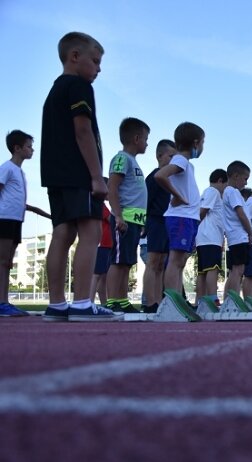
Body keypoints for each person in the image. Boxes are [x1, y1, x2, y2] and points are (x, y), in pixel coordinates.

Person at [40, 32, 122, 321]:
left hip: (55, 174)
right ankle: (83, 303)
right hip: (79, 174)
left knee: (62, 233)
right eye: (96, 62)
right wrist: (96, 177)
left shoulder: (55, 90)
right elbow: (83, 131)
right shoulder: (79, 86)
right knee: (89, 233)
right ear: (75, 57)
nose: (99, 69)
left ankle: (57, 304)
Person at [0, 130, 50, 317]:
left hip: (16, 219)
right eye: (29, 146)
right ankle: (1, 302)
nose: (32, 150)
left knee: (7, 264)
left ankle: (4, 302)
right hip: (4, 219)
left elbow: (22, 204)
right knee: (2, 261)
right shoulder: (7, 168)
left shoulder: (20, 172)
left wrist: (49, 216)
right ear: (17, 148)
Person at [154, 122, 205, 297]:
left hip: (188, 217)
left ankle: (176, 299)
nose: (203, 148)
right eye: (203, 143)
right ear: (196, 143)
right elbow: (160, 175)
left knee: (180, 261)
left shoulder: (186, 164)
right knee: (176, 260)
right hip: (181, 216)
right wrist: (177, 196)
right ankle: (171, 299)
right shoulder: (181, 160)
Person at [105, 117, 149, 313]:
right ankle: (112, 301)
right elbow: (112, 188)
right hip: (123, 219)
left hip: (135, 221)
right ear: (137, 138)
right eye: (146, 138)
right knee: (118, 260)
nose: (147, 143)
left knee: (127, 262)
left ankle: (122, 300)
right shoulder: (122, 158)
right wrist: (119, 216)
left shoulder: (133, 162)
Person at [141, 139, 176, 313]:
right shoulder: (155, 177)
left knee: (162, 263)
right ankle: (150, 303)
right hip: (155, 221)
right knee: (153, 261)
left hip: (166, 223)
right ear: (159, 156)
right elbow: (146, 202)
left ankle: (159, 301)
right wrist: (145, 224)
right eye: (171, 156)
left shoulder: (170, 180)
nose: (173, 160)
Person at [194, 168, 227, 306]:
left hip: (205, 238)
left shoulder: (206, 192)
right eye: (225, 185)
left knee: (202, 271)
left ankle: (199, 301)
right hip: (210, 237)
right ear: (220, 181)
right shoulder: (213, 192)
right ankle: (212, 298)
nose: (225, 189)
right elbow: (203, 211)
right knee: (212, 268)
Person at [222, 161, 252, 296]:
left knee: (234, 270)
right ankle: (233, 299)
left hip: (233, 236)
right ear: (235, 176)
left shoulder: (226, 192)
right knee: (238, 270)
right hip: (239, 236)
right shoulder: (233, 192)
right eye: (245, 179)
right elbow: (241, 214)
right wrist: (250, 232)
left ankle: (228, 298)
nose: (246, 183)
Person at [89, 198, 112, 305]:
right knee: (96, 274)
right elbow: (110, 219)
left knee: (103, 276)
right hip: (102, 244)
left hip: (106, 244)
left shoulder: (101, 204)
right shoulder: (100, 204)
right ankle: (90, 302)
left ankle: (104, 303)